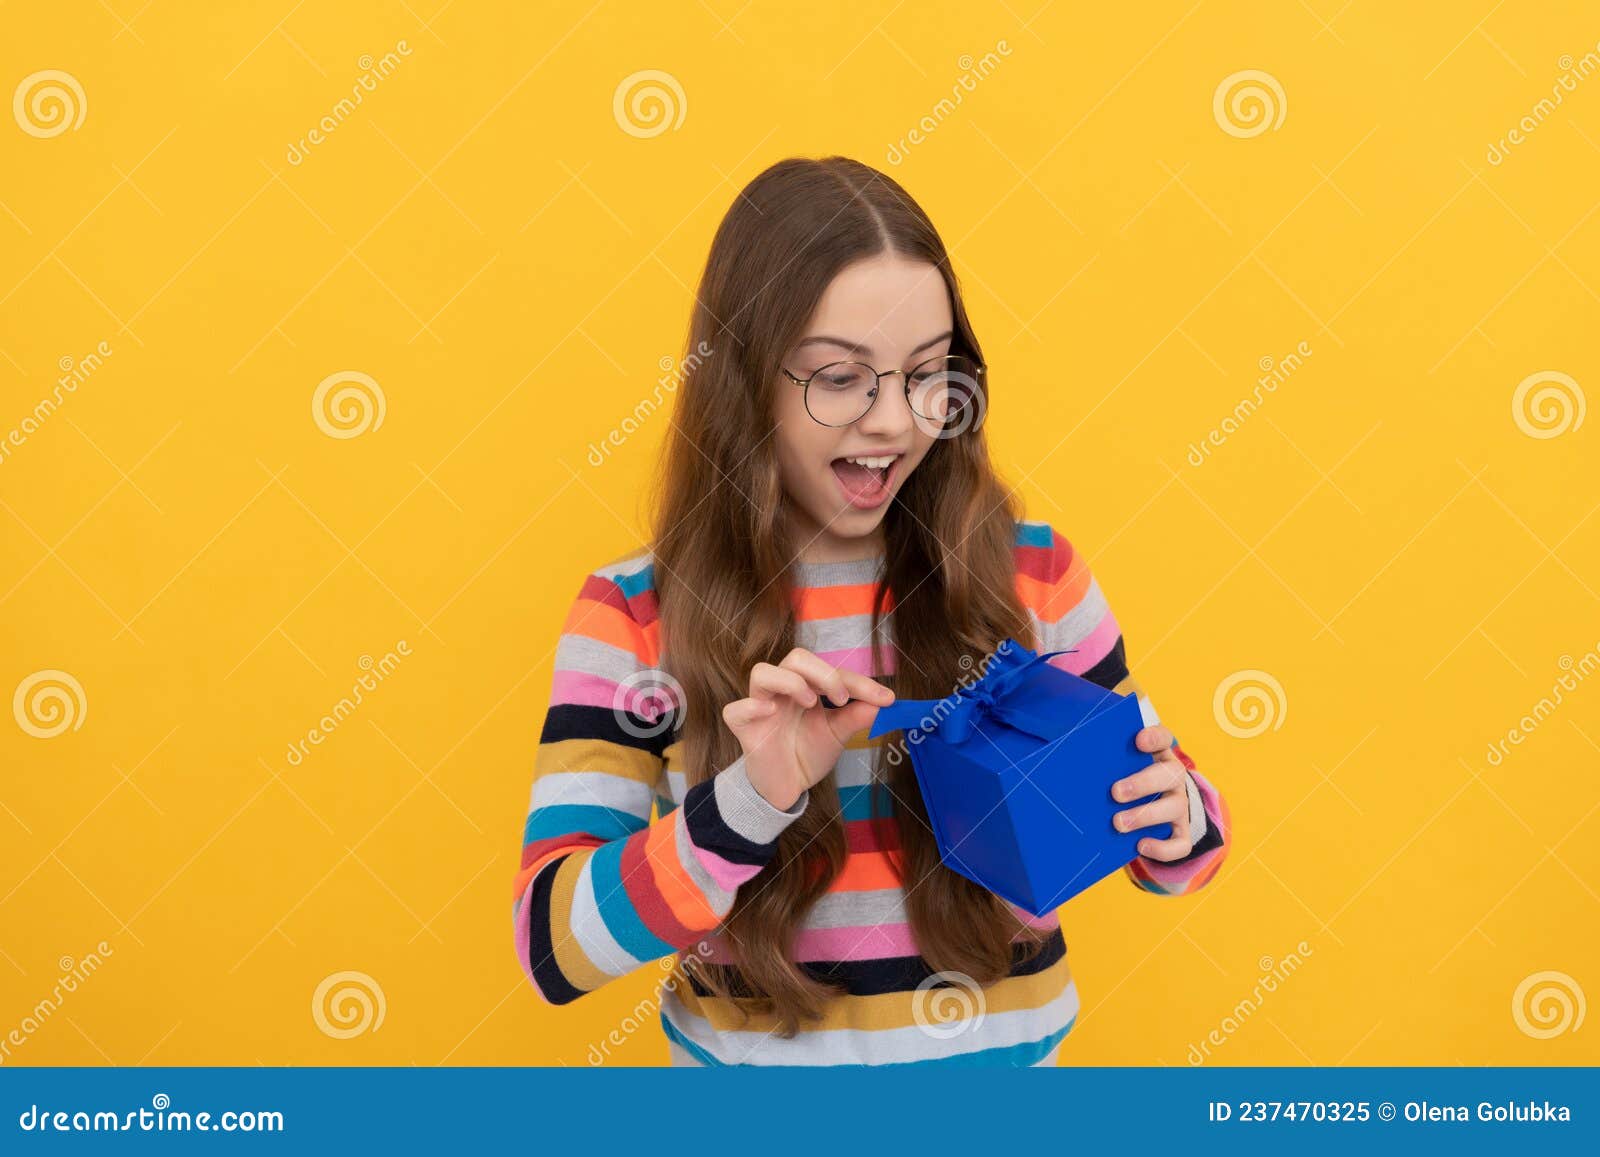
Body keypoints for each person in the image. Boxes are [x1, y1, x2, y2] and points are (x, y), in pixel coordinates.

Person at [512, 155, 1231, 1066]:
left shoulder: (1033, 571)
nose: (895, 420)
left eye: (927, 373)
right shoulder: (634, 616)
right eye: (841, 377)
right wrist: (749, 797)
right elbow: (552, 949)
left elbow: (1176, 824)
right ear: (744, 380)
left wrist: (1177, 824)